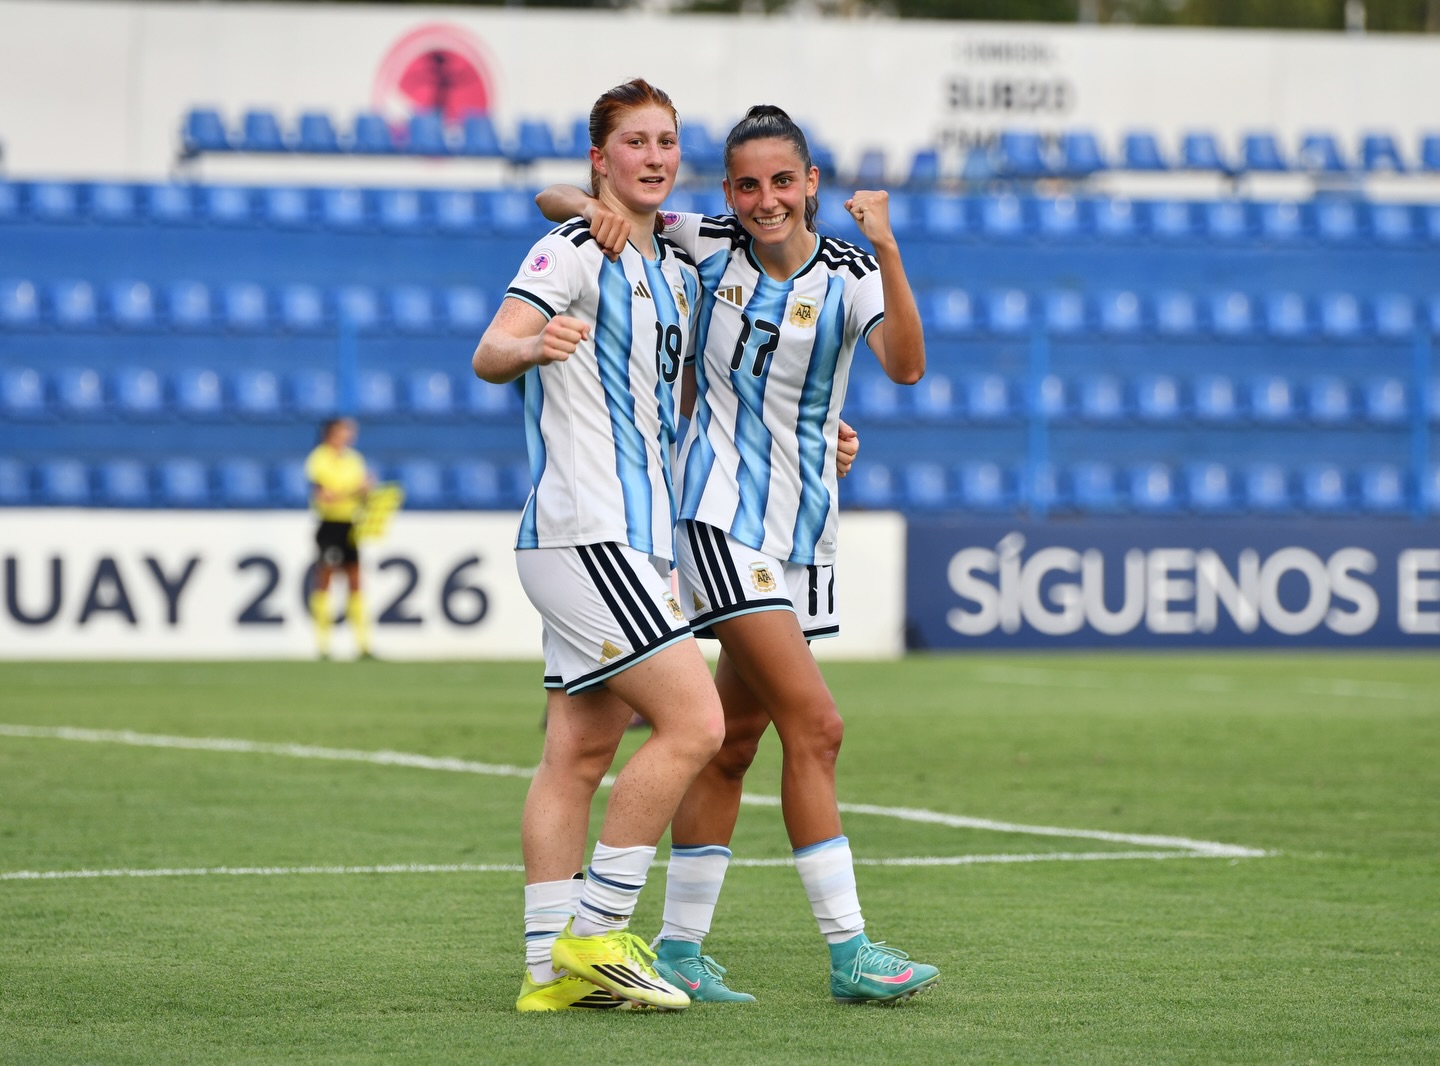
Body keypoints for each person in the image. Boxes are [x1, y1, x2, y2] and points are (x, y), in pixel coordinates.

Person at [537, 104, 939, 1006]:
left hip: (804, 535)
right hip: (718, 524)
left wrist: (893, 251)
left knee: (736, 744)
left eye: (782, 183)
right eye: (748, 184)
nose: (765, 200)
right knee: (819, 726)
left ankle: (679, 948)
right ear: (728, 192)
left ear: (812, 187)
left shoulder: (851, 271)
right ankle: (851, 951)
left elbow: (906, 366)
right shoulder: (704, 242)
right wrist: (587, 203)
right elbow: (557, 197)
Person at [471, 78, 726, 1013]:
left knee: (576, 755)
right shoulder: (575, 246)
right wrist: (532, 349)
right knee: (696, 723)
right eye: (635, 143)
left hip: (630, 537)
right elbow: (491, 348)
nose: (655, 157)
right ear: (600, 158)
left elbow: (678, 402)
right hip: (590, 531)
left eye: (666, 142)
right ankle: (600, 933)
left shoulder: (673, 264)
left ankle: (548, 973)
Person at [304, 416, 374, 660]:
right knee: (326, 579)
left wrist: (367, 493)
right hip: (330, 524)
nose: (349, 435)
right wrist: (355, 491)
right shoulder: (319, 458)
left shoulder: (354, 459)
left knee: (356, 580)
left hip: (351, 524)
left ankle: (363, 644)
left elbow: (357, 495)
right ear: (331, 433)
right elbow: (324, 496)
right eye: (345, 430)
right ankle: (323, 645)